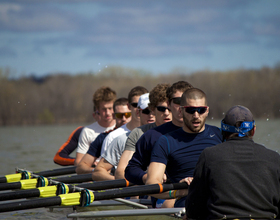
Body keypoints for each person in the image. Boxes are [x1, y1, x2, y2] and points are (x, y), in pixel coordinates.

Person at [185, 105, 280, 220]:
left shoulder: (209, 155)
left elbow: (194, 209)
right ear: (253, 130)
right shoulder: (274, 158)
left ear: (223, 131)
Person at [145, 88, 223, 208]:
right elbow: (151, 184)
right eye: (190, 110)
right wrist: (178, 192)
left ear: (207, 111)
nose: (196, 115)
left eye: (201, 110)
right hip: (187, 202)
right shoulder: (166, 141)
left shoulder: (220, 135)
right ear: (181, 111)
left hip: (220, 199)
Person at [125, 81, 193, 186]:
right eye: (162, 109)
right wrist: (149, 177)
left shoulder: (213, 133)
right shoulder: (151, 136)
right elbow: (130, 170)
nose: (166, 112)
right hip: (166, 195)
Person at [91, 86, 148, 181]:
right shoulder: (113, 137)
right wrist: (119, 180)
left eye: (145, 106)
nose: (139, 108)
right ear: (129, 106)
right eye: (136, 105)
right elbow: (102, 172)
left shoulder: (162, 134)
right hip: (125, 189)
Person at [75, 97, 131, 174]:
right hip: (114, 180)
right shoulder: (103, 137)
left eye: (127, 114)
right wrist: (98, 170)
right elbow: (81, 168)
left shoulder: (143, 134)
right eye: (119, 115)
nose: (124, 119)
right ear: (114, 116)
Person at [114, 93, 156, 179]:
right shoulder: (118, 137)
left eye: (154, 111)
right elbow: (120, 172)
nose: (151, 115)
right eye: (146, 111)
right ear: (138, 112)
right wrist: (146, 179)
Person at [74, 87, 117, 165]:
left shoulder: (122, 127)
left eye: (110, 108)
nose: (108, 113)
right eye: (104, 109)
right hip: (95, 172)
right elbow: (78, 163)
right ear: (97, 109)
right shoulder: (87, 131)